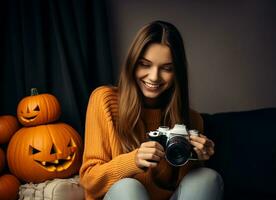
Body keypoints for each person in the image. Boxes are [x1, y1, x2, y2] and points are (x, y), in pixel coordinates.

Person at [80, 20, 223, 200]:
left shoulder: (191, 119)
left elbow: (186, 189)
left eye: (166, 68)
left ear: (177, 72)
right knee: (128, 188)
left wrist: (197, 157)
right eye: (145, 64)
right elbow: (90, 182)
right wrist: (133, 160)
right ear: (133, 64)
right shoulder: (105, 100)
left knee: (206, 178)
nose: (154, 77)